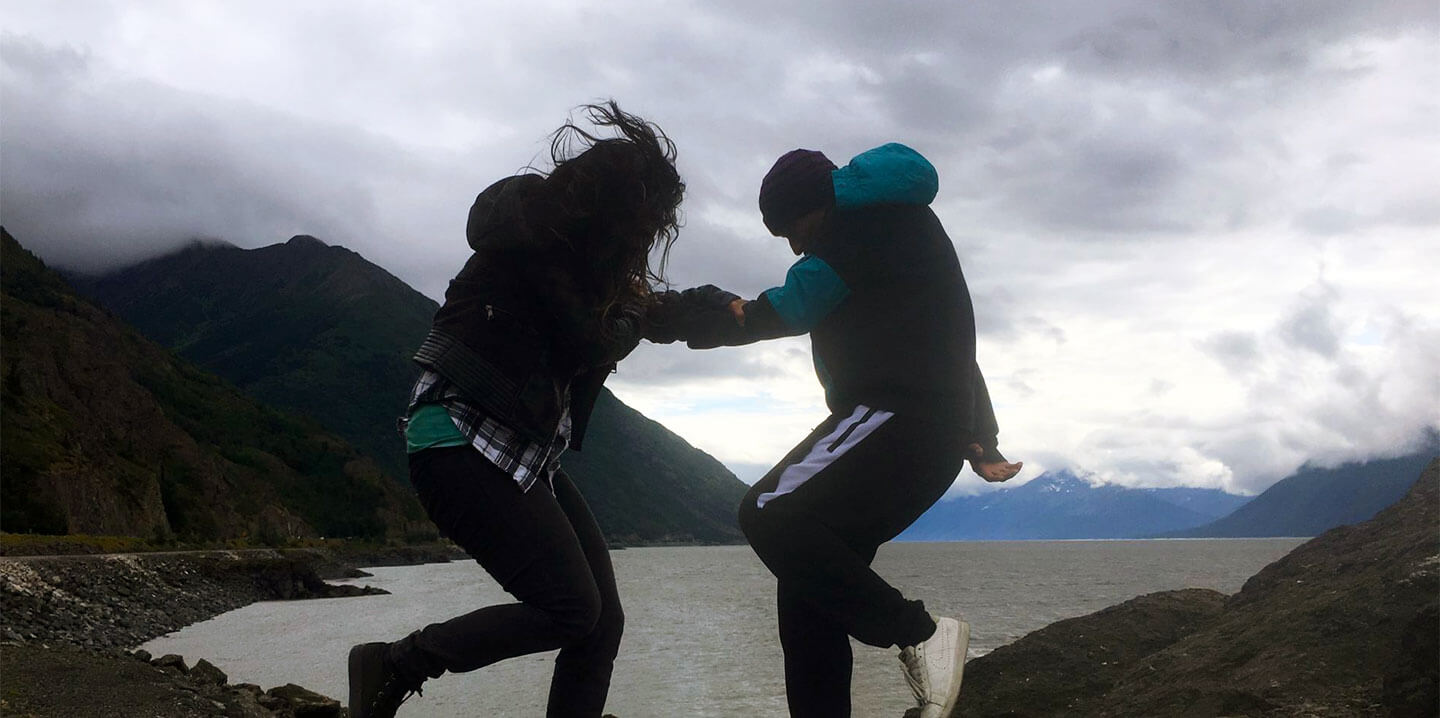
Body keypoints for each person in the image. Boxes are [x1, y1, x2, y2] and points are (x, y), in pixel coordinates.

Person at [647, 143, 1022, 718]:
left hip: (894, 418)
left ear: (811, 205)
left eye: (792, 231)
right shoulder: (906, 225)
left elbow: (786, 310)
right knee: (807, 588)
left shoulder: (855, 229)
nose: (796, 246)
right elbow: (954, 341)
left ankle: (920, 634)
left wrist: (685, 316)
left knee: (767, 512)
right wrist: (980, 435)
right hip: (925, 429)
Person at [347, 101, 685, 718]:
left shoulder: (569, 256)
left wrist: (716, 309)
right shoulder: (540, 244)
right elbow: (594, 337)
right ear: (620, 211)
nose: (648, 240)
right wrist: (641, 312)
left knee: (600, 622)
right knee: (572, 609)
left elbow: (617, 316)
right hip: (459, 441)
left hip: (518, 454)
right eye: (647, 224)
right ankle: (395, 663)